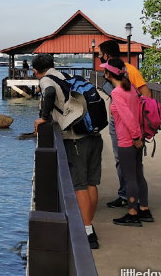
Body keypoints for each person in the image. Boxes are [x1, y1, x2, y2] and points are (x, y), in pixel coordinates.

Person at [32, 54, 103, 249]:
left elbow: (48, 94)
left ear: (35, 70)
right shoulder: (64, 76)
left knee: (79, 184)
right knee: (91, 182)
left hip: (75, 138)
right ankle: (87, 222)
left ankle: (87, 232)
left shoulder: (46, 79)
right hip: (93, 135)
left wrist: (44, 118)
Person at [98, 40, 151, 208]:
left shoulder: (127, 73)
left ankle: (130, 202)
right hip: (125, 122)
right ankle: (137, 202)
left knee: (125, 161)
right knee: (132, 165)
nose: (98, 57)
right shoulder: (127, 72)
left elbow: (145, 93)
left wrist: (139, 125)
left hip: (126, 125)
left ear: (106, 55)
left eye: (100, 54)